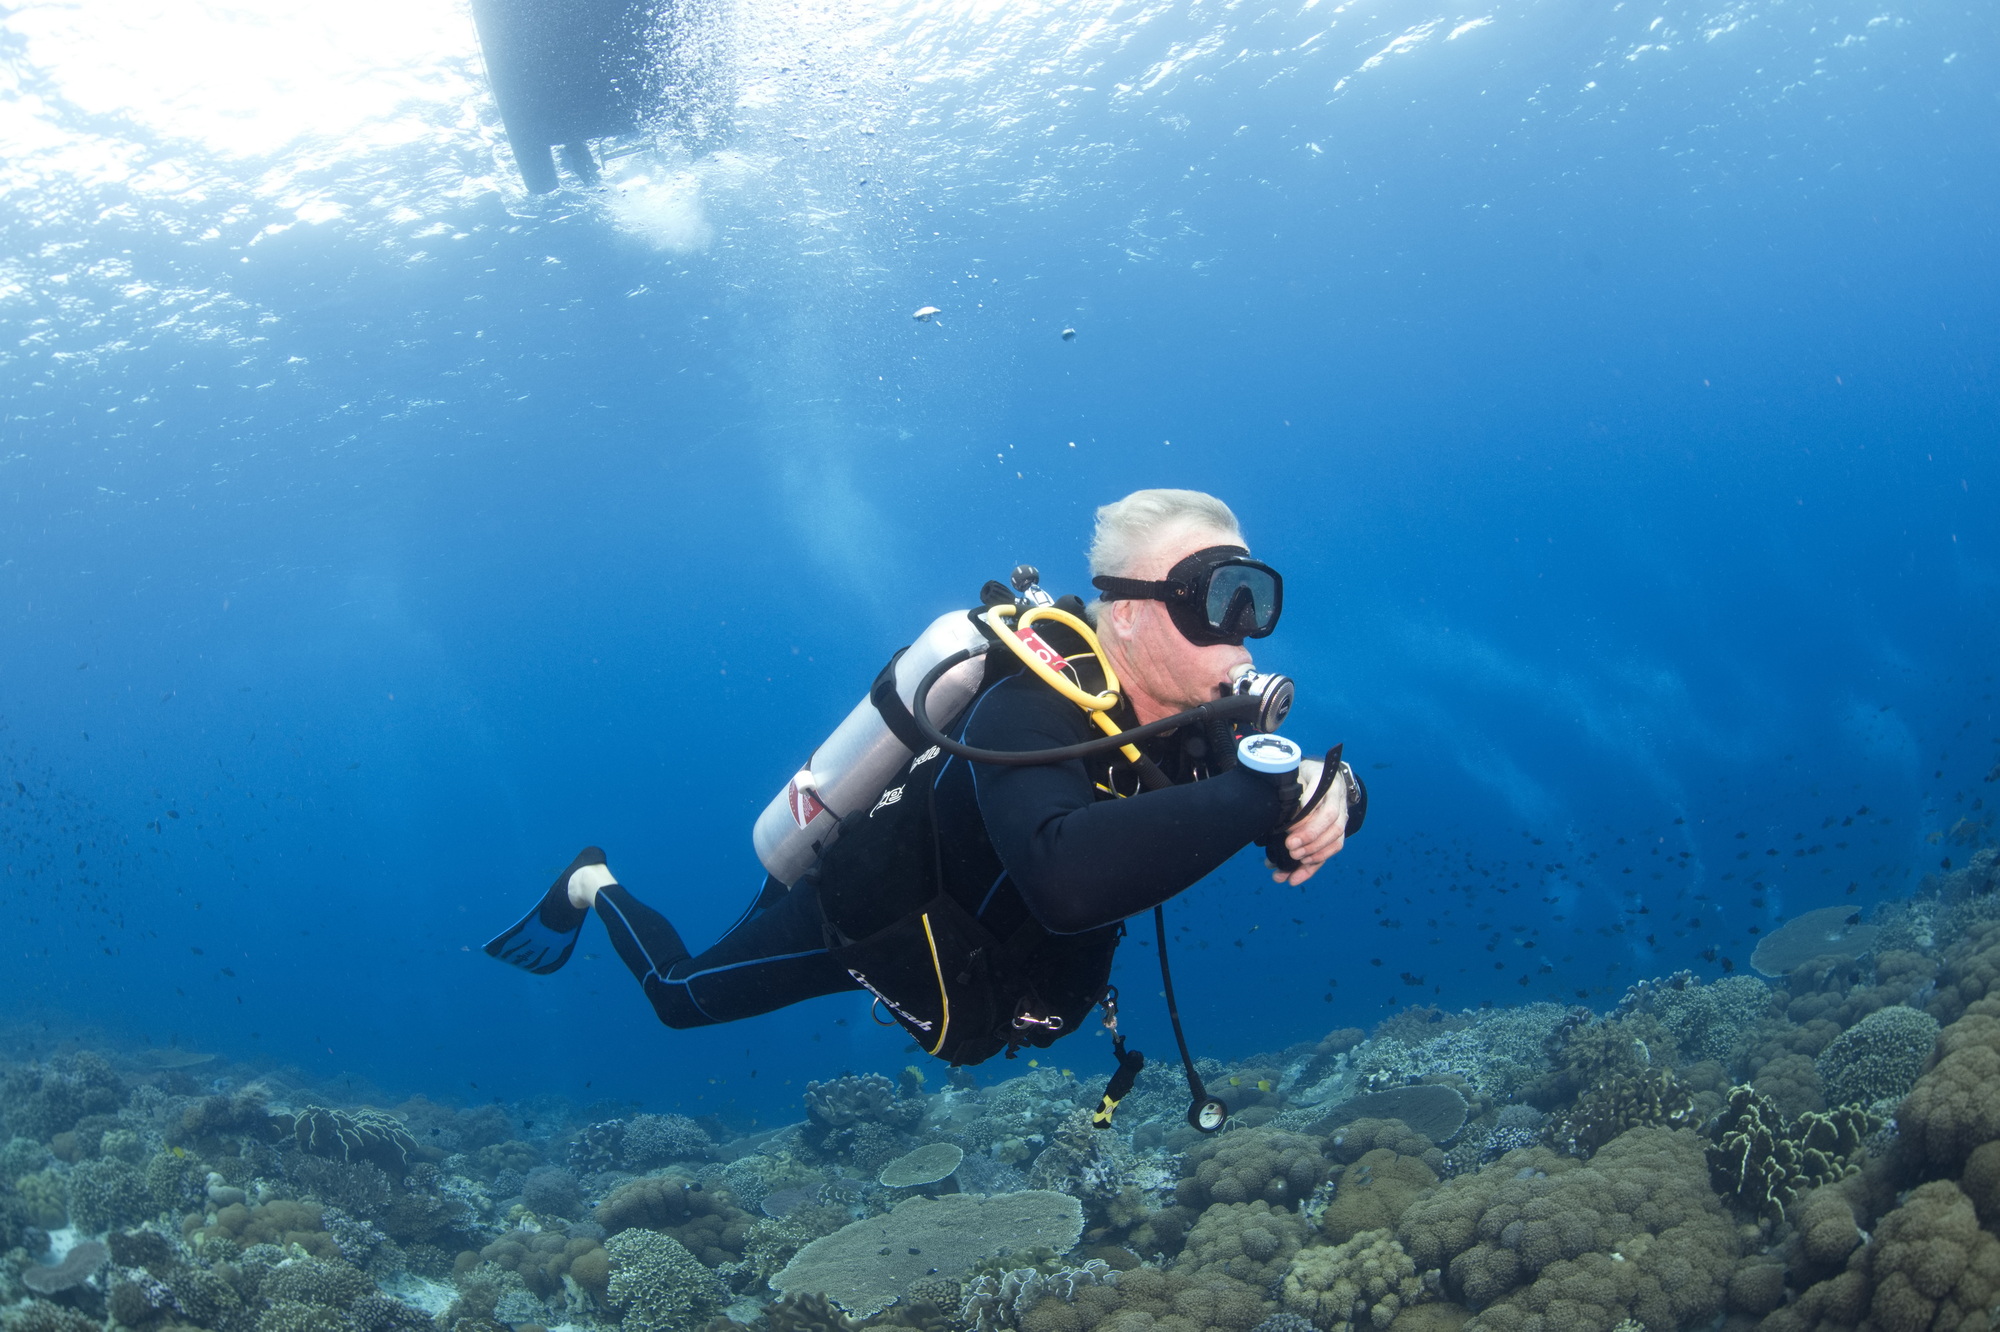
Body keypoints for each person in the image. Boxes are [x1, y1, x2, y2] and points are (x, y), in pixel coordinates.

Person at [485, 489, 1353, 1064]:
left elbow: (1271, 798)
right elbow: (1066, 880)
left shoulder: (1192, 723)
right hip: (859, 914)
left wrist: (1334, 796)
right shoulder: (1025, 714)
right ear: (1125, 616)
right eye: (1215, 597)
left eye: (1256, 598)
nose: (1244, 629)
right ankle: (592, 882)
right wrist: (1263, 793)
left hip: (966, 952)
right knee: (680, 998)